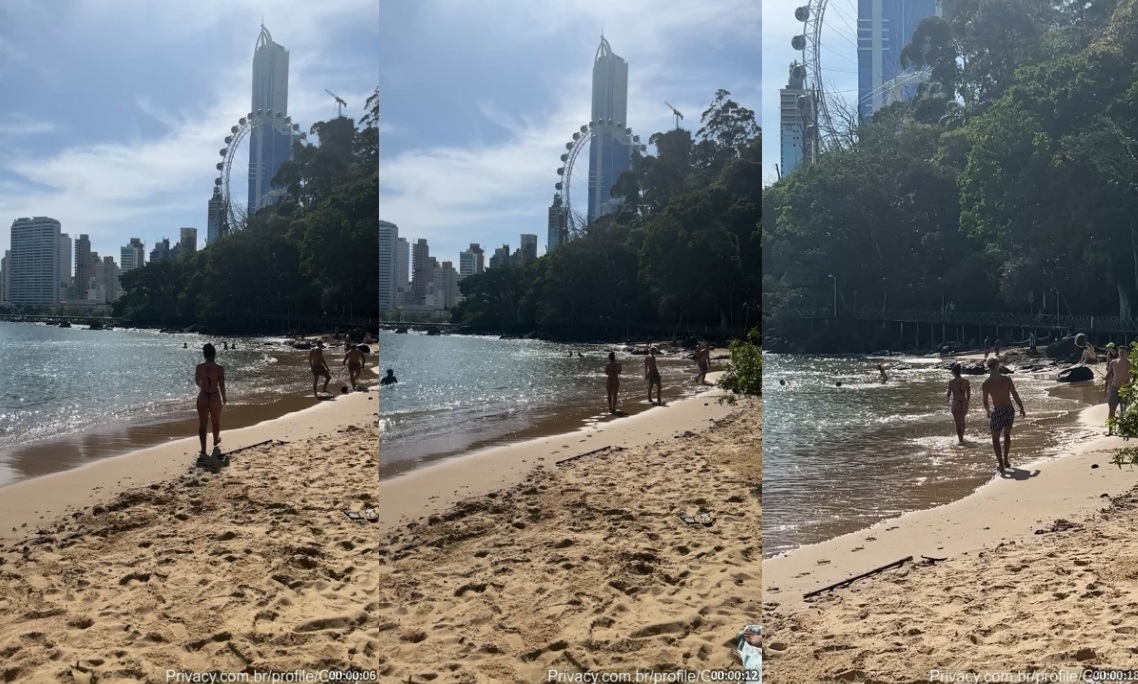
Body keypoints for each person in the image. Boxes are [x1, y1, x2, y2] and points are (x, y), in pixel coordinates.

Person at [981, 356, 1026, 473]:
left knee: (995, 439)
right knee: (1007, 435)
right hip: (1009, 410)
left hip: (998, 411)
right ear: (998, 365)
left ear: (988, 367)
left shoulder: (986, 383)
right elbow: (1014, 394)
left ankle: (1000, 463)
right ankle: (1005, 460)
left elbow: (985, 401)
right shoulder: (1006, 379)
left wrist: (988, 411)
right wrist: (1021, 407)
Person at [194, 343, 226, 459]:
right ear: (214, 354)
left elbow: (197, 382)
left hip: (203, 395)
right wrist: (224, 397)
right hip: (214, 395)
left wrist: (204, 386)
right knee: (215, 422)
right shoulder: (219, 368)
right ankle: (215, 441)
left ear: (204, 355)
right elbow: (221, 385)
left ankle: (203, 450)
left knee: (203, 425)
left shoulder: (199, 367)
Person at [946, 363, 971, 445]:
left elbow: (949, 394)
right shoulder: (966, 382)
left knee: (957, 422)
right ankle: (962, 438)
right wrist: (967, 402)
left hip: (956, 401)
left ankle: (960, 440)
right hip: (963, 401)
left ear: (953, 372)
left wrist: (947, 400)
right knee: (962, 420)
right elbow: (968, 395)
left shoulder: (951, 382)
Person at [1108, 345, 1130, 432]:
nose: (1121, 354)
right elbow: (1109, 374)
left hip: (1125, 388)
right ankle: (1110, 430)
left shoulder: (1130, 364)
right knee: (1112, 409)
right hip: (1114, 387)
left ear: (1127, 353)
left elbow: (1133, 376)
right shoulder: (1113, 362)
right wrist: (1106, 387)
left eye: (1123, 352)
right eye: (1120, 352)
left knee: (1124, 409)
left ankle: (1123, 428)